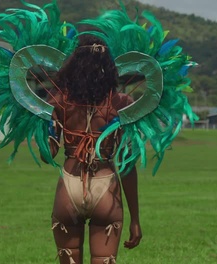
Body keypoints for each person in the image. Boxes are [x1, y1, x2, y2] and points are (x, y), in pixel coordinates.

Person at [43, 35, 142, 264]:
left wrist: (47, 126)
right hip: (106, 186)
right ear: (109, 65)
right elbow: (128, 164)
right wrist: (135, 218)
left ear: (74, 63)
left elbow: (46, 154)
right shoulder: (122, 102)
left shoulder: (57, 100)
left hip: (69, 186)